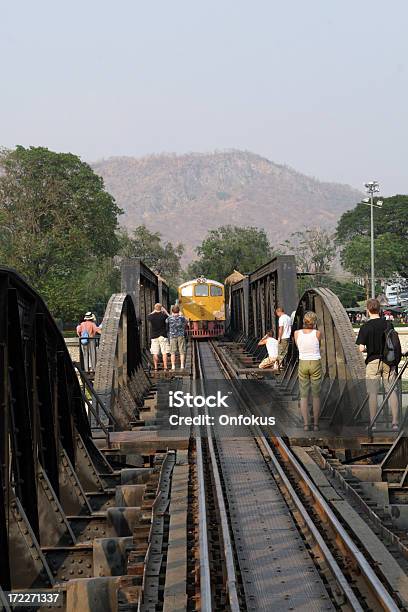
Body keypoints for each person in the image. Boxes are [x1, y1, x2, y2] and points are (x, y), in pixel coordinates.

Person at [356, 298, 399, 430]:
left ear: (368, 310)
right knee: (392, 391)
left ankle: (373, 423)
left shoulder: (365, 327)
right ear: (379, 310)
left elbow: (361, 348)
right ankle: (395, 423)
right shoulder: (388, 325)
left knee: (373, 393)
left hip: (373, 362)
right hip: (388, 361)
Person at [294, 311, 322, 432]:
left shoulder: (296, 333)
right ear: (314, 322)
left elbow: (298, 347)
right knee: (316, 395)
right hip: (315, 362)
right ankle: (315, 424)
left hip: (303, 363)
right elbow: (319, 345)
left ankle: (306, 424)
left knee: (304, 395)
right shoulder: (317, 333)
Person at [147, 303, 170, 371]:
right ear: (161, 308)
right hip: (163, 336)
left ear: (154, 308)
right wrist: (165, 311)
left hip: (154, 336)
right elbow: (170, 317)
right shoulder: (163, 315)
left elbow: (148, 316)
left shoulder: (151, 317)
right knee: (164, 352)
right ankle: (165, 367)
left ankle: (156, 367)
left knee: (155, 352)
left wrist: (154, 311)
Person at [166, 305, 187, 370]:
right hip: (181, 335)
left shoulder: (169, 318)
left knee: (172, 352)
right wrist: (181, 314)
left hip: (172, 336)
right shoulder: (182, 318)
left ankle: (173, 366)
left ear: (172, 311)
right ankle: (182, 366)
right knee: (182, 351)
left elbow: (166, 323)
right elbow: (186, 322)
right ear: (179, 311)